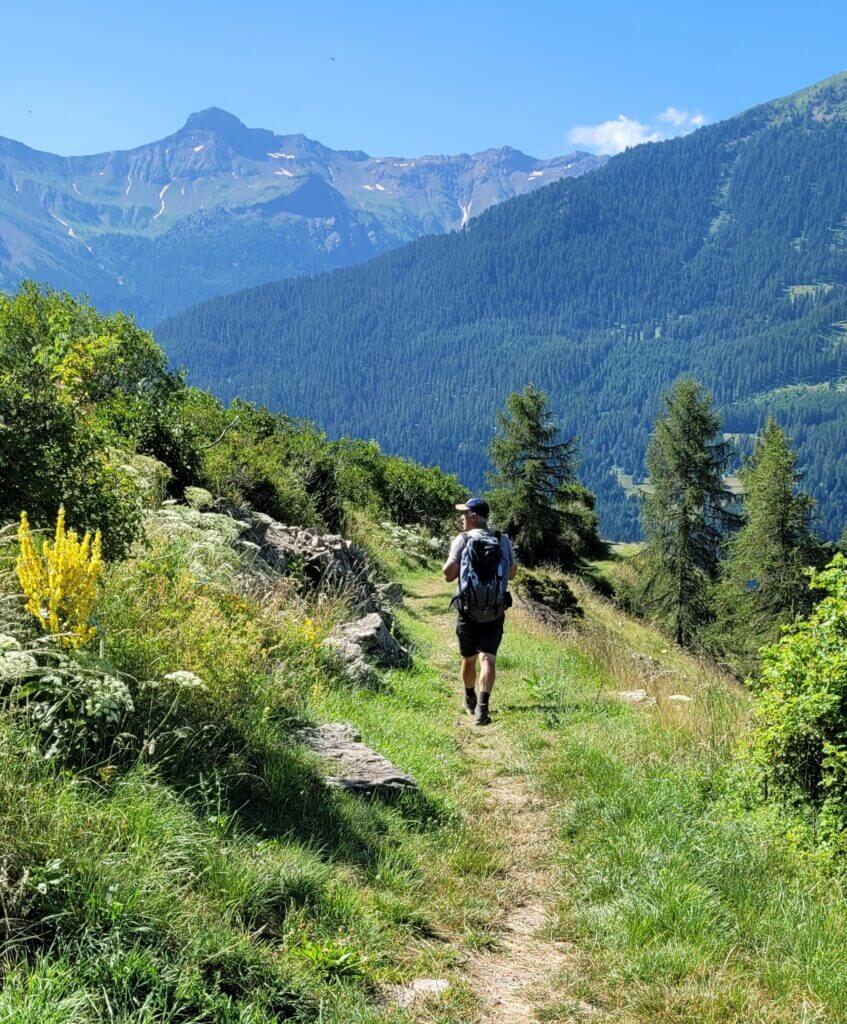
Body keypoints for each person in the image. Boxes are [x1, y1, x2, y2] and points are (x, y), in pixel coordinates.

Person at [443, 497, 516, 725]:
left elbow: (449, 574)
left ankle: (469, 698)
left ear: (474, 517)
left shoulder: (462, 539)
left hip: (467, 610)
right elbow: (512, 573)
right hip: (494, 609)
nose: (461, 518)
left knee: (469, 657)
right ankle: (483, 709)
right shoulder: (502, 540)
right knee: (488, 659)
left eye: (464, 514)